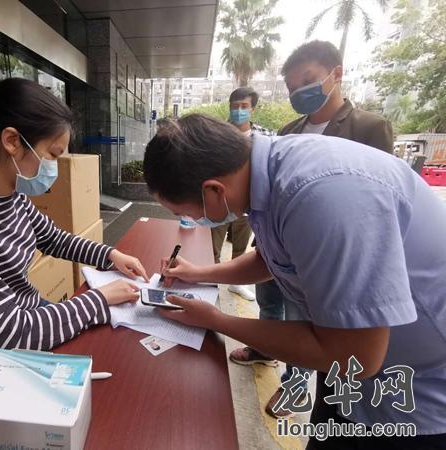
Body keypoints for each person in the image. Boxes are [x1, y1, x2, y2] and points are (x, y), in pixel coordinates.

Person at [143, 114, 446, 449]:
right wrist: (197, 273)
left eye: (183, 212)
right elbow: (271, 258)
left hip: (415, 397)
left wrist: (217, 320)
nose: (189, 220)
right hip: (348, 376)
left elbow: (354, 355)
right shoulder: (263, 175)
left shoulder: (321, 196)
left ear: (214, 190)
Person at [0, 78, 147, 374]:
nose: (54, 168)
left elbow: (54, 239)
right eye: (53, 155)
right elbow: (9, 335)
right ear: (12, 141)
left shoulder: (11, 195)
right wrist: (100, 299)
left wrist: (110, 255)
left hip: (27, 327)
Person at [230, 40, 395, 419]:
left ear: (336, 74)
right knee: (269, 300)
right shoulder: (290, 129)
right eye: (291, 88)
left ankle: (294, 385)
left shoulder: (368, 127)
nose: (298, 93)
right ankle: (264, 349)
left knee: (305, 320)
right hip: (279, 242)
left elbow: (380, 200)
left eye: (307, 81)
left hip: (326, 252)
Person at [211, 87, 274, 302]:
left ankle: (236, 285)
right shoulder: (217, 135)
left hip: (251, 203)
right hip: (219, 203)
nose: (239, 110)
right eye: (235, 106)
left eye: (244, 106)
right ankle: (210, 285)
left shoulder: (265, 137)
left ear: (253, 109)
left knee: (241, 246)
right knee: (212, 246)